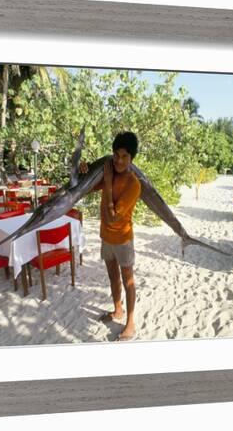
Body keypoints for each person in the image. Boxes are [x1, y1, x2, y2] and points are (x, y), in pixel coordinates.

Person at [80, 131, 141, 341]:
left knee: (128, 280)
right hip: (106, 236)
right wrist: (84, 171)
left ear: (132, 158)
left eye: (125, 156)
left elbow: (115, 218)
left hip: (123, 238)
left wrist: (106, 180)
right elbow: (85, 189)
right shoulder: (110, 173)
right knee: (113, 277)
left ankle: (130, 323)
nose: (119, 160)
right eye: (116, 155)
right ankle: (118, 310)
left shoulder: (134, 184)